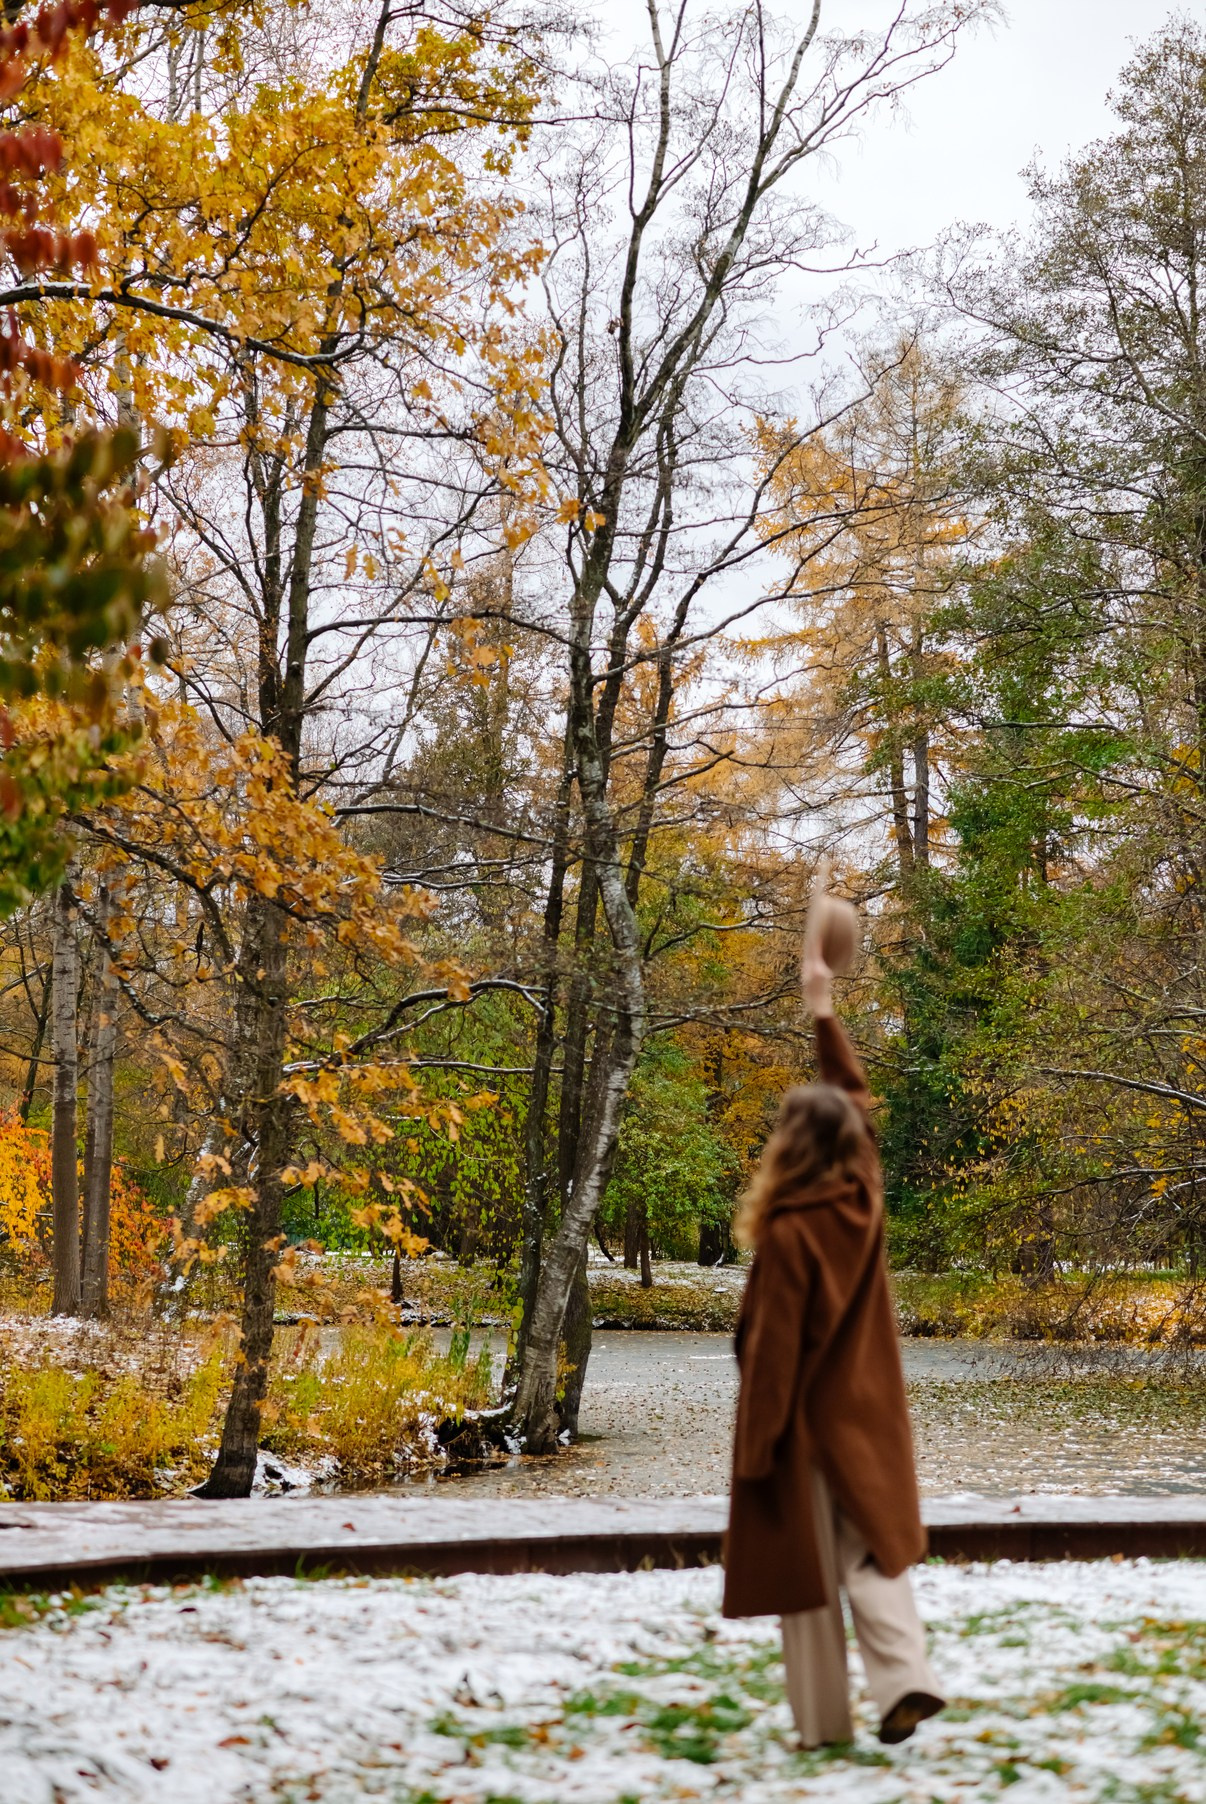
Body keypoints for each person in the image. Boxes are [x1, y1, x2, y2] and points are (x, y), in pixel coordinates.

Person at [722, 916, 944, 1749]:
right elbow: (851, 1095)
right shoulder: (863, 1198)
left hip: (805, 1429)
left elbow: (774, 1351)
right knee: (873, 1553)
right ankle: (906, 1676)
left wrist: (758, 1450)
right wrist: (822, 1008)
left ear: (789, 1145)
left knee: (807, 1579)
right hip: (868, 1416)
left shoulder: (789, 1232)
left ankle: (821, 1730)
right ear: (850, 1144)